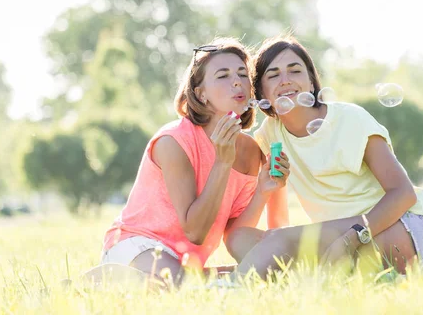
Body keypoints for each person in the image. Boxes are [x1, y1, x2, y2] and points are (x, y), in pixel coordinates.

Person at [82, 38, 290, 286]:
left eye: (242, 74)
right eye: (222, 75)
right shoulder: (174, 142)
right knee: (191, 289)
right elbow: (195, 231)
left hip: (184, 262)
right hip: (137, 245)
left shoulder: (250, 152)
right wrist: (222, 163)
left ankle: (106, 286)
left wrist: (263, 193)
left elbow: (234, 234)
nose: (237, 81)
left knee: (257, 276)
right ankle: (97, 283)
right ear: (201, 94)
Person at [231, 35, 423, 279]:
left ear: (311, 82)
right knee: (240, 239)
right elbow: (275, 220)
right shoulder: (270, 133)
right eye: (274, 74)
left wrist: (351, 238)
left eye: (295, 70)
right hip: (338, 237)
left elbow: (404, 194)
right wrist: (266, 193)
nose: (285, 80)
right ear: (262, 90)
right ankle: (287, 278)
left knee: (281, 243)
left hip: (402, 226)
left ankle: (232, 287)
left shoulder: (351, 120)